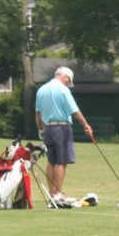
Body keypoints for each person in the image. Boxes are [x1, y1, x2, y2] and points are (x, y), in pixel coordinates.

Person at [34, 65, 93, 205]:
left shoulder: (41, 90)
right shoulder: (63, 90)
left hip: (47, 128)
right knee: (61, 161)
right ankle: (58, 194)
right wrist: (86, 125)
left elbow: (38, 113)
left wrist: (41, 130)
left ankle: (52, 194)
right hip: (62, 128)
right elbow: (75, 110)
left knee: (51, 161)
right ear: (65, 76)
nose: (68, 83)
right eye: (68, 81)